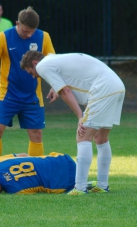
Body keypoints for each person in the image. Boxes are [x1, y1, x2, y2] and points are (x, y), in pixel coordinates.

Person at [20, 51, 125, 195]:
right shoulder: (52, 58)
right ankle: (102, 185)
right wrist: (54, 87)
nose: (33, 75)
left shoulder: (41, 66)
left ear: (34, 63)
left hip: (103, 88)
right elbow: (74, 78)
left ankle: (80, 188)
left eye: (30, 71)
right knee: (101, 138)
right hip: (117, 86)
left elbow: (65, 91)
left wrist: (80, 116)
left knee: (82, 137)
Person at [0, 7, 55, 163]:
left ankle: (36, 176)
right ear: (17, 23)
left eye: (32, 31)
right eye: (25, 31)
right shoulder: (3, 37)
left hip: (32, 96)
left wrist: (55, 85)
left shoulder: (44, 37)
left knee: (36, 134)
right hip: (7, 94)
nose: (29, 35)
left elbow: (53, 64)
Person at [0, 152, 76, 194]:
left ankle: (86, 185)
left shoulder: (15, 190)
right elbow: (24, 154)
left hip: (67, 182)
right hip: (61, 158)